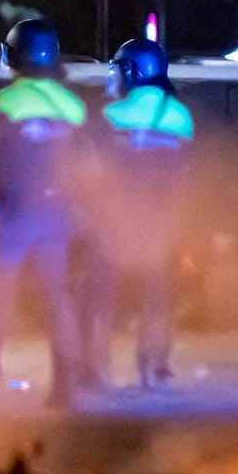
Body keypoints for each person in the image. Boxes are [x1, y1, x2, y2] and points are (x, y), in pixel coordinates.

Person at [0, 19, 90, 408]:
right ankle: (66, 388)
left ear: (12, 56)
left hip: (11, 214)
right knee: (58, 298)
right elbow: (90, 168)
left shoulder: (2, 104)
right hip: (57, 216)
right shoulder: (73, 107)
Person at [83, 38, 194, 389]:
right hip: (158, 223)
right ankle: (155, 367)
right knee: (157, 296)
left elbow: (89, 171)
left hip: (113, 222)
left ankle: (96, 368)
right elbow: (186, 174)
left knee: (100, 296)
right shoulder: (179, 116)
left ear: (133, 71)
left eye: (118, 68)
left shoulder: (109, 116)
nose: (113, 75)